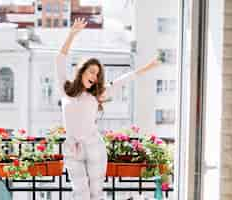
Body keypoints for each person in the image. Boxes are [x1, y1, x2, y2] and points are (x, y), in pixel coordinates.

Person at [55, 18, 160, 200]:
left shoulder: (98, 94)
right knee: (80, 192)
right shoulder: (66, 90)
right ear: (82, 71)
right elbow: (60, 59)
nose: (95, 77)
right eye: (92, 71)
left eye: (97, 75)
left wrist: (148, 67)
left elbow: (124, 80)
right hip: (72, 148)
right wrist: (72, 35)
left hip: (94, 146)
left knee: (96, 193)